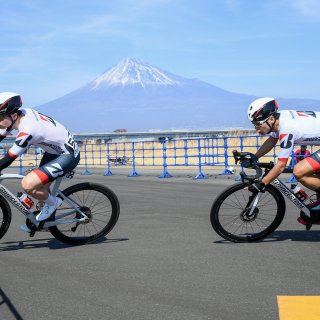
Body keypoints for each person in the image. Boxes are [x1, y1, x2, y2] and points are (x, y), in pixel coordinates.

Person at [0, 92, 80, 232]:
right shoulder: (21, 114)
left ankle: (53, 203)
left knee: (28, 184)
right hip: (54, 152)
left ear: (13, 115)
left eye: (0, 117)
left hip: (68, 155)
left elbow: (9, 157)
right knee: (41, 187)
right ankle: (46, 219)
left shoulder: (28, 130)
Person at [246, 97, 320, 225]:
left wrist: (262, 183)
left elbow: (281, 166)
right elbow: (272, 140)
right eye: (254, 125)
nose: (257, 130)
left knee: (300, 171)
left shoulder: (287, 128)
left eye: (258, 125)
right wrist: (255, 157)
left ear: (271, 119)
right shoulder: (279, 119)